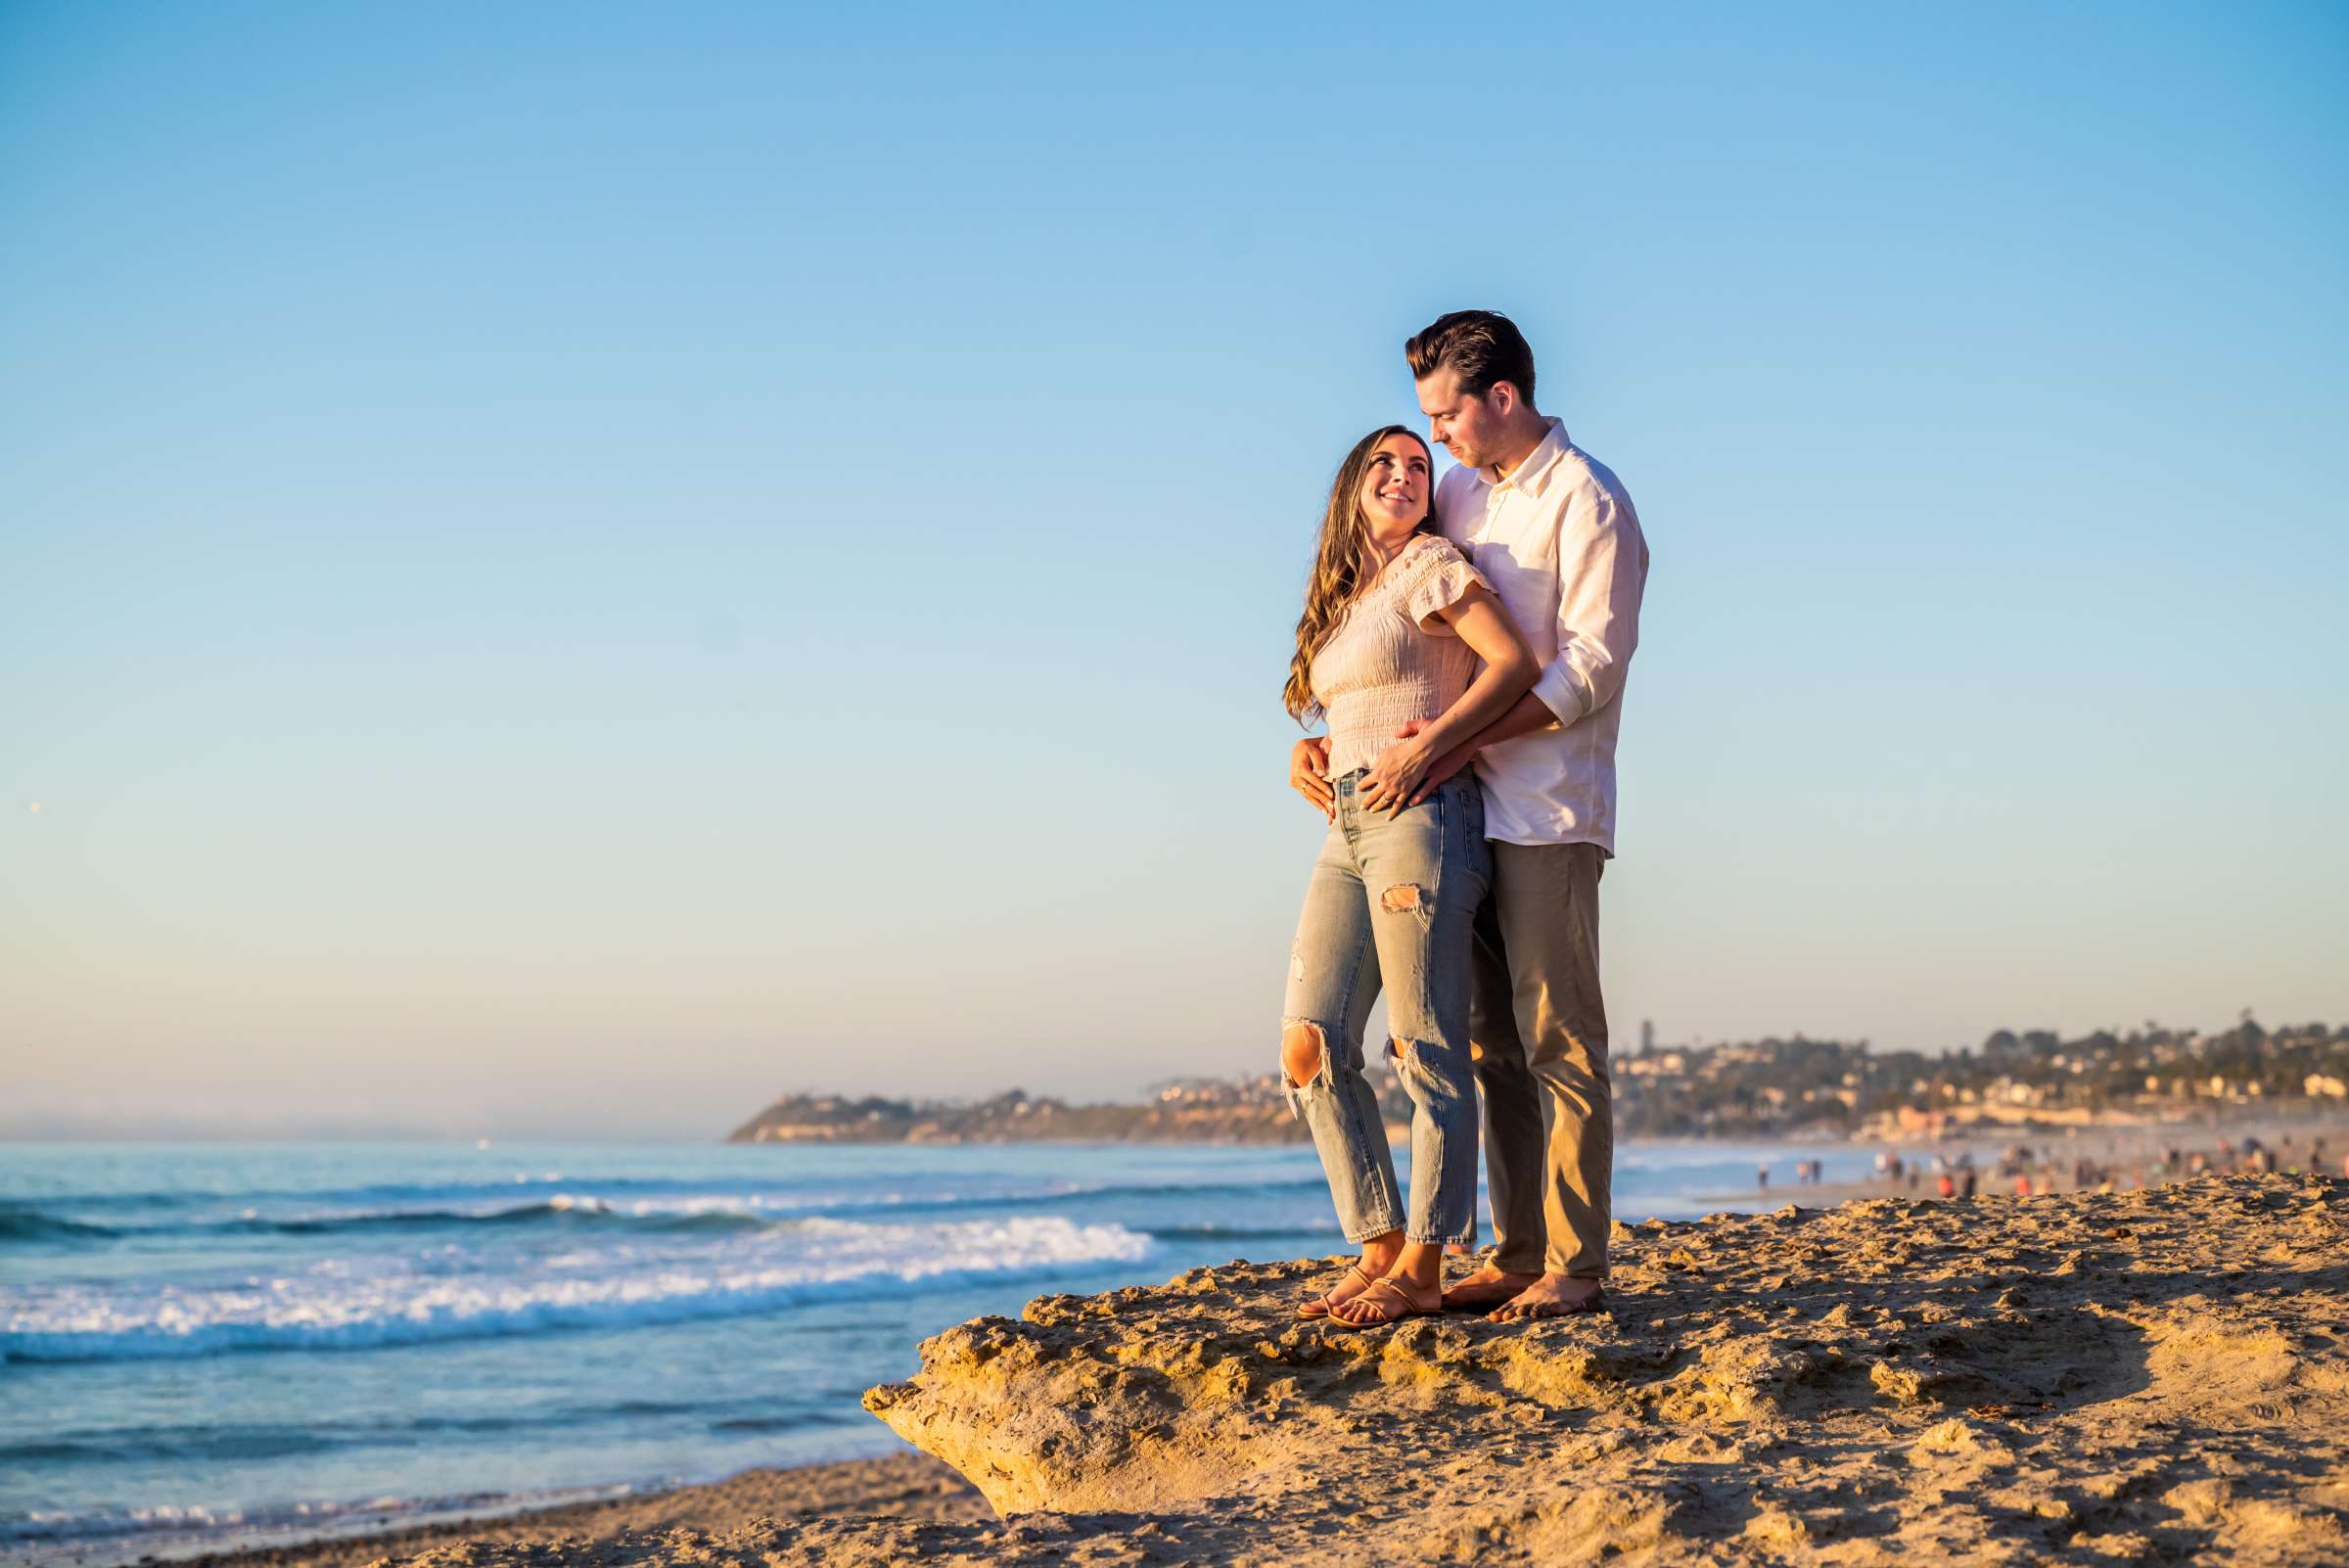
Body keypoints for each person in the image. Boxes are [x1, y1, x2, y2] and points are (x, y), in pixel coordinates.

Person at [1296, 310, 1649, 1320]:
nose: (1436, 435)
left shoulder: (1590, 502)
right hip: (1448, 810)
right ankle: (1515, 1247)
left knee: (1557, 1040)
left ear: (1503, 398)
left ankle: (1576, 1265)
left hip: (1546, 808)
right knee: (1482, 1042)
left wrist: (1452, 739)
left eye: (1447, 413)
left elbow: (1588, 669)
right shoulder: (1456, 490)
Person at [1280, 424, 1540, 1328]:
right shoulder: (1351, 595)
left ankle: (1425, 1264)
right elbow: (1355, 702)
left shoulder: (1432, 563)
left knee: (1424, 1046)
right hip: (1346, 822)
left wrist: (1434, 744)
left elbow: (1515, 662)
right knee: (1309, 1044)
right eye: (1385, 463)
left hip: (1423, 816)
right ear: (1353, 483)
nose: (1403, 475)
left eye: (1419, 465)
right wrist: (1307, 750)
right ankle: (1380, 1245)